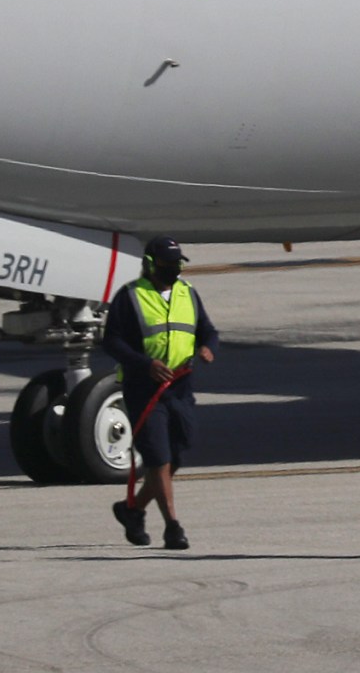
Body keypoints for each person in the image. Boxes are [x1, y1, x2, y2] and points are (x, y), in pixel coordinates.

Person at [102, 236, 218, 551]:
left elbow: (208, 330)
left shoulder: (188, 293)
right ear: (152, 265)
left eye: (178, 264)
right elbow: (111, 341)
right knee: (158, 457)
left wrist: (207, 347)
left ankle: (132, 509)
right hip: (144, 388)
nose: (174, 269)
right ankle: (173, 527)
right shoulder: (130, 297)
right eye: (168, 265)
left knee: (176, 454)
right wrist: (145, 364)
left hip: (180, 388)